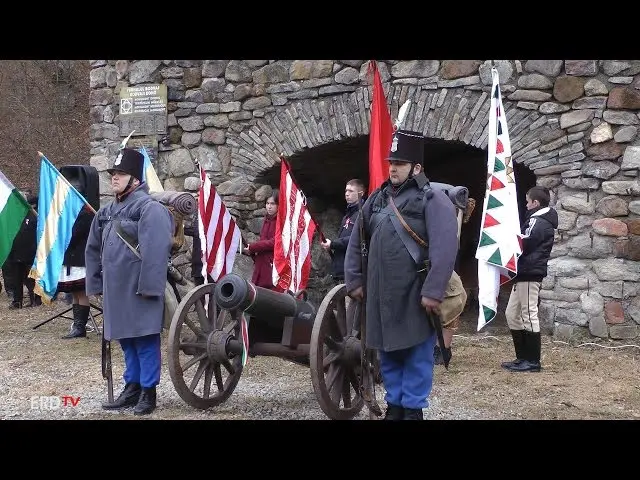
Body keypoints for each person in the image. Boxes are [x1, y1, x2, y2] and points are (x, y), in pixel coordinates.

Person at [344, 130, 459, 420]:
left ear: (416, 168)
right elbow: (358, 239)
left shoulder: (432, 200)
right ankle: (395, 406)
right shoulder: (377, 199)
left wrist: (433, 291)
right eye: (391, 161)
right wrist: (355, 279)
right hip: (381, 291)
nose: (393, 167)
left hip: (414, 292)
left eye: (400, 162)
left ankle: (412, 409)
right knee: (388, 352)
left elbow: (445, 249)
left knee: (417, 355)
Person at [85, 148, 173, 415]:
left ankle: (149, 392)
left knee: (145, 340)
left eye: (120, 173)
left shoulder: (150, 209)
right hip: (115, 290)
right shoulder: (107, 211)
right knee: (125, 340)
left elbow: (156, 252)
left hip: (140, 288)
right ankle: (132, 387)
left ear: (135, 178)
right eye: (113, 173)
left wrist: (149, 287)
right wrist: (95, 284)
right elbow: (92, 248)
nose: (114, 177)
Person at [501, 185, 558, 373]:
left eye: (527, 201)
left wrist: (506, 238)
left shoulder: (539, 221)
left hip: (530, 272)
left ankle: (533, 361)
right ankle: (522, 357)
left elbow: (526, 243)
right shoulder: (537, 220)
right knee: (512, 313)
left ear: (535, 203)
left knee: (529, 313)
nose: (525, 205)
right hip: (525, 272)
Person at [433, 197, 476, 365]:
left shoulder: (450, 225)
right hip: (430, 266)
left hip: (446, 268)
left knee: (451, 305)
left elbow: (453, 239)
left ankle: (443, 349)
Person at [58, 201, 94, 339]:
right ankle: (77, 325)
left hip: (80, 260)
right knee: (75, 294)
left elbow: (72, 236)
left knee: (81, 293)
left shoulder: (85, 215)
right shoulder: (72, 215)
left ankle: (80, 327)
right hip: (71, 259)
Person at [320, 179, 365, 284]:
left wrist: (333, 244)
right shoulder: (347, 216)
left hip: (354, 269)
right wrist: (330, 246)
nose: (347, 194)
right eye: (346, 191)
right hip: (343, 269)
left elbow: (358, 238)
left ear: (361, 193)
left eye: (351, 191)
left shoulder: (363, 214)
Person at [5, 194, 41, 309]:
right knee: (16, 279)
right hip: (14, 252)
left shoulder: (33, 215)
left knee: (31, 278)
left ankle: (35, 299)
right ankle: (17, 301)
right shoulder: (11, 216)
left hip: (30, 253)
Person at [242, 190, 278, 290]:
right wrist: (252, 250)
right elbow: (263, 242)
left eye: (273, 204)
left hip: (272, 267)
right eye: (267, 203)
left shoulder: (281, 222)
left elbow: (274, 242)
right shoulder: (266, 220)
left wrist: (253, 247)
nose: (269, 207)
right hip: (261, 264)